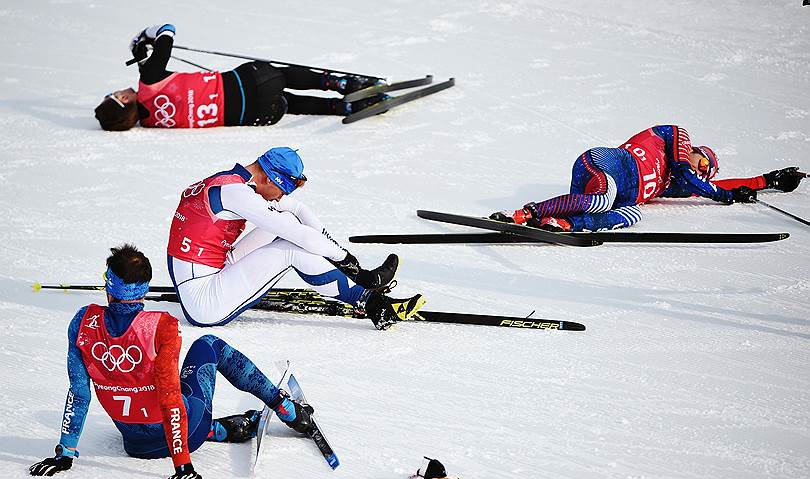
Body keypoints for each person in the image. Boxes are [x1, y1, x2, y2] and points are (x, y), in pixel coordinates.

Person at [29, 245, 314, 479]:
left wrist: (64, 453)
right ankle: (286, 408)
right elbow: (169, 396)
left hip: (135, 445)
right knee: (210, 344)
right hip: (183, 437)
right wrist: (182, 465)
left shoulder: (82, 322)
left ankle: (219, 430)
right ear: (144, 290)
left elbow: (79, 394)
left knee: (166, 391)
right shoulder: (161, 325)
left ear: (109, 288)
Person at [166, 146, 425, 329]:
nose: (281, 197)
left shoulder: (229, 181)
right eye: (282, 189)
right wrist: (351, 264)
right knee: (292, 249)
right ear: (268, 177)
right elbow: (301, 237)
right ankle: (371, 303)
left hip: (208, 271)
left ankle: (361, 282)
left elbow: (298, 212)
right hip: (203, 302)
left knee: (287, 222)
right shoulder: (237, 193)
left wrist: (348, 264)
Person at [489, 125, 806, 232]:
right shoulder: (675, 136)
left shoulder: (677, 184)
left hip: (613, 193)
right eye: (702, 163)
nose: (699, 172)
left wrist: (768, 180)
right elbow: (703, 183)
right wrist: (723, 196)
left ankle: (564, 224)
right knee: (602, 199)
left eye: (704, 173)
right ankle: (525, 213)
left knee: (631, 213)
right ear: (696, 150)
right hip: (603, 163)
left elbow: (719, 186)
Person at [94, 23, 384, 131]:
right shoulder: (149, 82)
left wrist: (143, 55)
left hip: (260, 115)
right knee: (277, 76)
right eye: (115, 93)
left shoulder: (150, 122)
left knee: (288, 102)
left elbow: (151, 74)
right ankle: (341, 84)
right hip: (256, 83)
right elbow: (166, 33)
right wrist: (144, 36)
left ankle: (342, 107)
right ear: (122, 99)